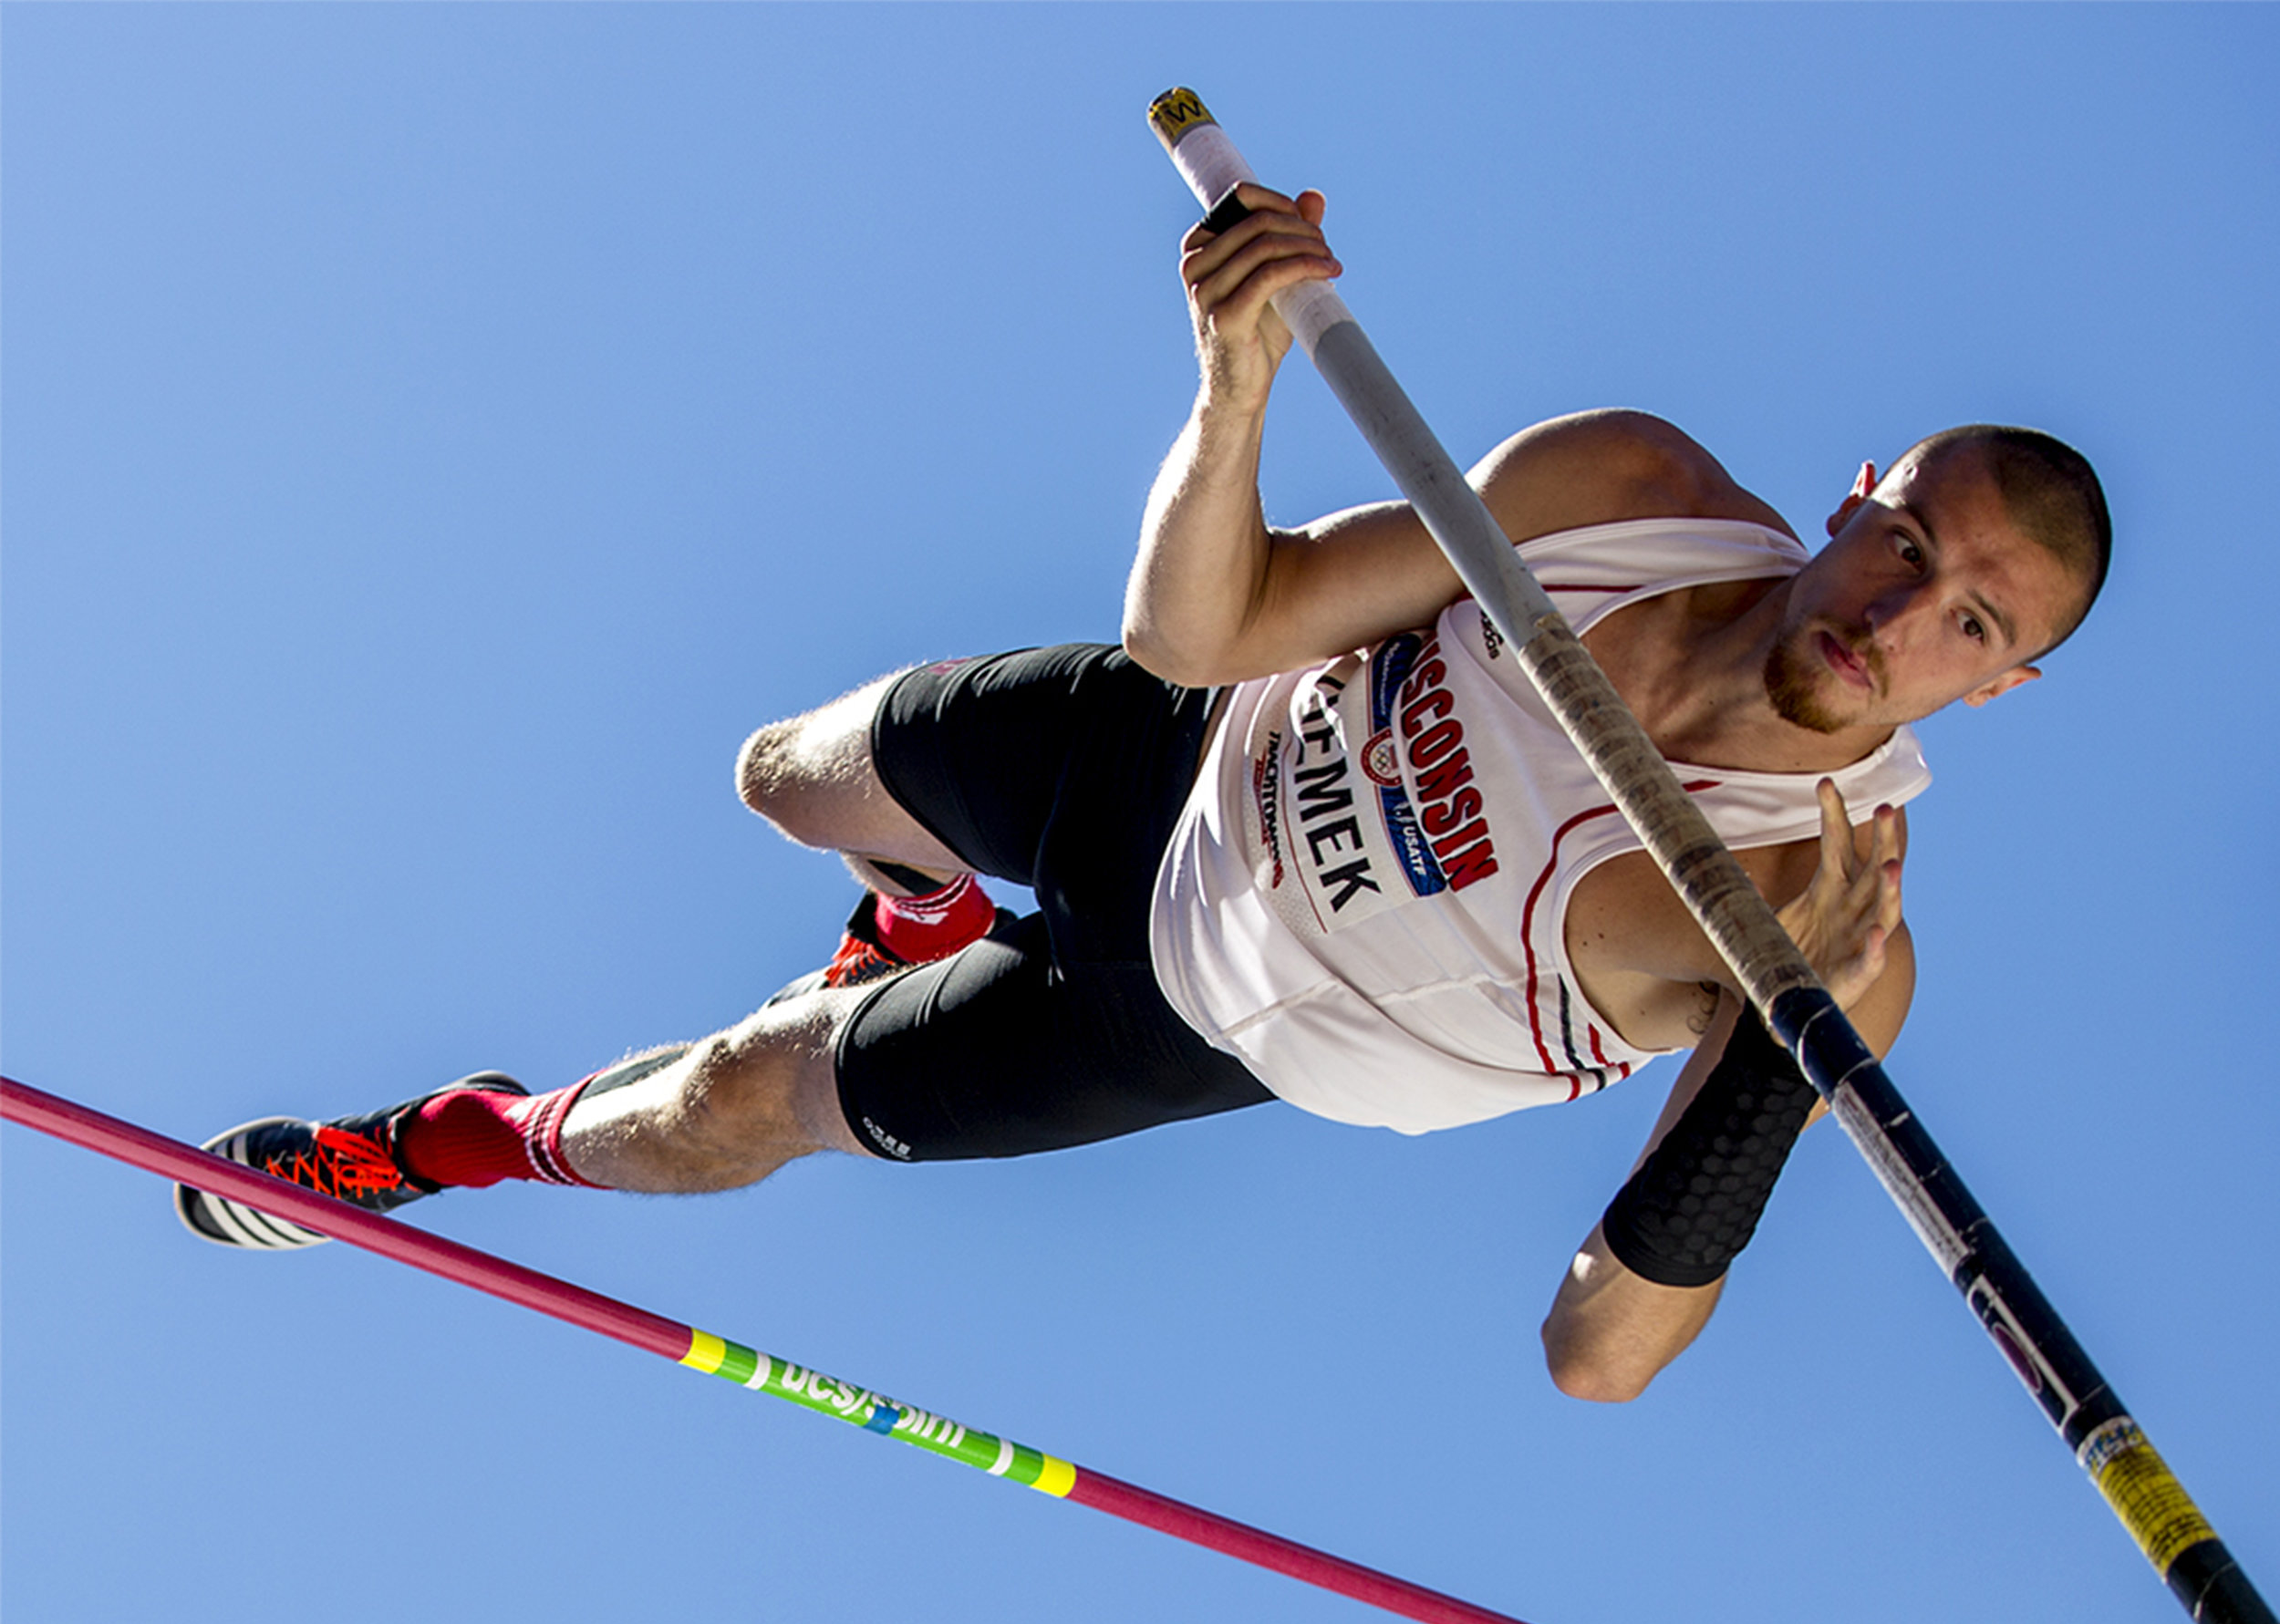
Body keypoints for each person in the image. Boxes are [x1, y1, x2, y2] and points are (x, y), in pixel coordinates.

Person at [176, 185, 2109, 1403]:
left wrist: (1778, 1059)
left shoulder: (1813, 928)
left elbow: (1592, 1353)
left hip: (1206, 1004)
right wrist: (1232, 386)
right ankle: (905, 906)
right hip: (1181, 743)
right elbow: (1209, 633)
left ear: (2000, 683)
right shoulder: (1626, 488)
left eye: (1966, 620)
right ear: (1859, 490)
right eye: (1903, 540)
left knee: (734, 1104)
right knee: (782, 777)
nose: (1895, 612)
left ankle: (432, 1144)